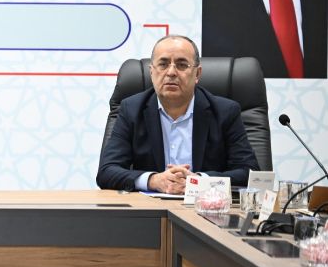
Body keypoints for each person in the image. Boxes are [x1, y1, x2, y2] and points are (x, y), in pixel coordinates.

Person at [97, 35, 259, 193]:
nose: (171, 72)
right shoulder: (131, 109)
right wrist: (154, 180)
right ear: (151, 72)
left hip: (204, 205)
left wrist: (199, 181)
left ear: (197, 74)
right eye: (163, 64)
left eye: (182, 65)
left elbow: (249, 173)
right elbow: (107, 171)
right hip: (150, 207)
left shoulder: (225, 112)